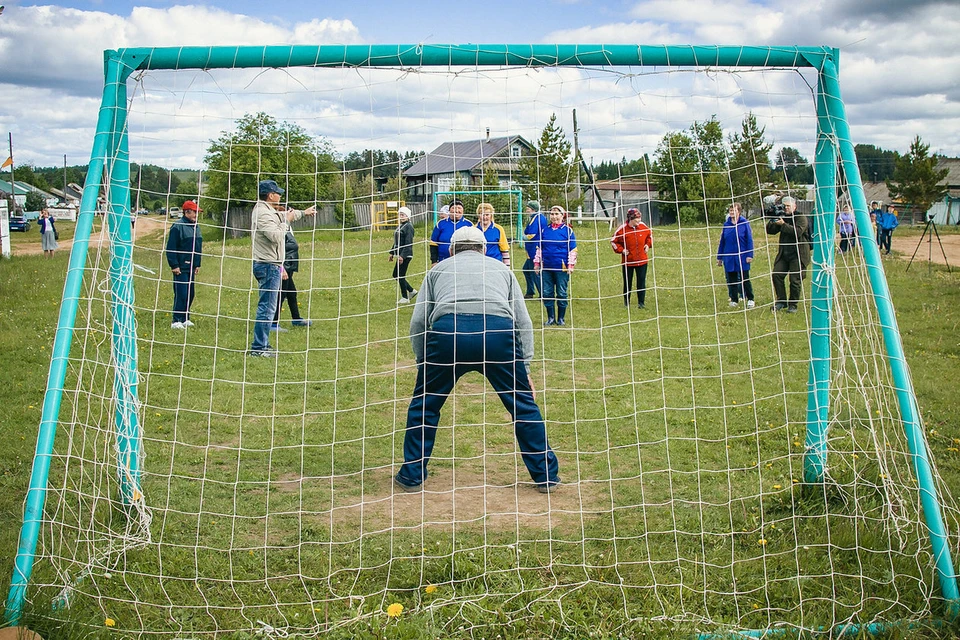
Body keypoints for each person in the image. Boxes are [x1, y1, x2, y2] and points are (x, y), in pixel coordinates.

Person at [395, 226, 561, 494]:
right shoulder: (502, 269)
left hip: (447, 334)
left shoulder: (437, 270)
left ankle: (412, 475)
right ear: (484, 249)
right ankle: (546, 476)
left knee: (424, 406)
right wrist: (525, 366)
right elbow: (523, 321)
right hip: (497, 334)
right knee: (523, 405)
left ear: (450, 249)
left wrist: (422, 363)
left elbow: (418, 322)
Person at [249, 180, 316, 357]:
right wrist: (286, 222)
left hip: (271, 265)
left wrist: (303, 213)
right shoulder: (263, 213)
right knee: (267, 308)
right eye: (277, 193)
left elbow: (284, 215)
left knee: (269, 306)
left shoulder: (267, 210)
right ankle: (258, 348)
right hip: (268, 265)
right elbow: (275, 236)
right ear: (270, 195)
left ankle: (262, 345)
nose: (280, 195)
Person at [534, 205, 578, 326]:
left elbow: (573, 249)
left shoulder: (567, 231)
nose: (554, 216)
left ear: (562, 215)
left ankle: (561, 318)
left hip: (561, 267)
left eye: (556, 214)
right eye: (552, 214)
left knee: (561, 293)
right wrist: (537, 263)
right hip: (547, 266)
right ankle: (550, 317)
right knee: (547, 292)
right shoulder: (544, 230)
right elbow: (539, 248)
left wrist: (571, 265)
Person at [766, 195, 810, 313]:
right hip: (784, 254)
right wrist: (773, 219)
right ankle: (781, 301)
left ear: (794, 206)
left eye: (788, 206)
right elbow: (770, 231)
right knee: (776, 274)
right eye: (784, 206)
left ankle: (793, 305)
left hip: (799, 254)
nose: (785, 208)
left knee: (795, 280)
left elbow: (798, 232)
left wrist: (783, 224)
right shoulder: (782, 216)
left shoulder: (801, 217)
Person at [165, 200, 203, 329]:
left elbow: (197, 247)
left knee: (190, 293)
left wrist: (197, 263)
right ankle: (176, 320)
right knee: (181, 292)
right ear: (187, 212)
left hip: (191, 266)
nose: (196, 216)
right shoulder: (177, 226)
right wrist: (174, 265)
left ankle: (186, 317)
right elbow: (171, 247)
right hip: (180, 266)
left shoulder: (196, 227)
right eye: (194, 213)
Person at [611, 207, 653, 309]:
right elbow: (613, 241)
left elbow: (650, 236)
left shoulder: (643, 227)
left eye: (639, 218)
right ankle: (627, 302)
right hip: (628, 262)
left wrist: (648, 245)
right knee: (627, 282)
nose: (639, 220)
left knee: (641, 282)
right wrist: (622, 250)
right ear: (630, 219)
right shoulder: (622, 230)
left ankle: (641, 303)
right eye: (636, 219)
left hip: (642, 261)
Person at [716, 202, 755, 308]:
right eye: (730, 210)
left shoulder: (744, 223)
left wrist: (749, 254)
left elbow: (749, 240)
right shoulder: (726, 225)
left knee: (744, 278)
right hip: (729, 256)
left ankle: (750, 298)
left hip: (742, 256)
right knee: (731, 278)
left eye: (734, 210)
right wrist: (719, 257)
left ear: (739, 211)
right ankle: (734, 299)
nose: (732, 212)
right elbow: (722, 241)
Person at [272, 225, 311, 329]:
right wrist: (281, 268)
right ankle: (273, 323)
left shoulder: (288, 227)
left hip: (289, 266)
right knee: (282, 294)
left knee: (291, 293)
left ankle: (296, 319)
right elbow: (276, 250)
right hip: (283, 267)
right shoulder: (277, 229)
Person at [429, 200, 472, 265]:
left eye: (459, 208)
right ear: (449, 210)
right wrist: (434, 261)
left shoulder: (469, 224)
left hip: (463, 262)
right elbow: (433, 243)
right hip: (443, 261)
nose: (456, 210)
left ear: (463, 210)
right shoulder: (441, 224)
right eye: (453, 208)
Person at [390, 206, 418, 303]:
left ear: (408, 216)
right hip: (399, 255)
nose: (401, 217)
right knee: (396, 275)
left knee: (399, 275)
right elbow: (397, 242)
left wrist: (402, 256)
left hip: (406, 255)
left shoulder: (409, 227)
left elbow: (408, 243)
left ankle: (405, 297)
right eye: (400, 215)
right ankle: (411, 291)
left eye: (403, 215)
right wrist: (392, 253)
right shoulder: (401, 226)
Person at [521, 201, 547, 299]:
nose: (526, 210)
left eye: (528, 208)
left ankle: (543, 294)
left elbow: (532, 234)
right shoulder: (534, 218)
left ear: (533, 209)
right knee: (526, 270)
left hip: (535, 249)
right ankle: (530, 292)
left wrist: (523, 237)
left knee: (535, 271)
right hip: (530, 249)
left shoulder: (539, 219)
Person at [476, 202, 511, 266]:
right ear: (478, 215)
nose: (485, 217)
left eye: (487, 215)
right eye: (482, 214)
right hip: (478, 263)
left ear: (491, 215)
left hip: (495, 263)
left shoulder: (498, 229)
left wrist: (507, 268)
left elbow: (505, 251)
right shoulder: (473, 229)